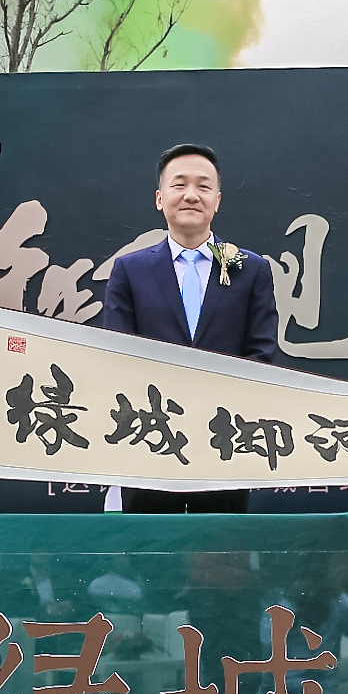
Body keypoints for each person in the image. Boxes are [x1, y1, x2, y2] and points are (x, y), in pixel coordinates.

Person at [100, 143, 280, 513]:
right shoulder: (130, 270)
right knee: (150, 543)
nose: (191, 195)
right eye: (179, 185)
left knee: (218, 543)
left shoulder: (250, 269)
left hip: (223, 439)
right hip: (150, 436)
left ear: (217, 200)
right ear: (159, 198)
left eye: (203, 186)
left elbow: (261, 353)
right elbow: (117, 354)